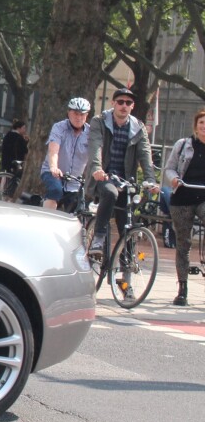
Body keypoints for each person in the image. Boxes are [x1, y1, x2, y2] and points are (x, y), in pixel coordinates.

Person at [86, 87, 159, 259]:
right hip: (104, 176)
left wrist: (150, 179)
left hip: (126, 179)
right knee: (110, 193)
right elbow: (95, 146)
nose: (124, 106)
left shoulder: (138, 127)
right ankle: (98, 237)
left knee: (127, 219)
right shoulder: (100, 121)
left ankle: (127, 264)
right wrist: (97, 168)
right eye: (120, 102)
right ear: (113, 103)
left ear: (132, 106)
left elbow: (145, 154)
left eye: (128, 103)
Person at [161, 108, 205, 306]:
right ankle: (183, 287)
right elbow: (169, 168)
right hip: (183, 197)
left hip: (203, 197)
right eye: (202, 123)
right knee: (183, 243)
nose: (204, 127)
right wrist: (175, 179)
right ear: (196, 125)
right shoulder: (183, 145)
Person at [40, 98, 91, 210]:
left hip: (74, 180)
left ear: (87, 115)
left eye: (82, 114)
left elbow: (95, 156)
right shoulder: (59, 127)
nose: (78, 117)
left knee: (78, 207)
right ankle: (46, 220)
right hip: (53, 173)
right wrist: (54, 167)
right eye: (75, 113)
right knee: (55, 190)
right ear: (68, 113)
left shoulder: (90, 133)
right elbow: (53, 151)